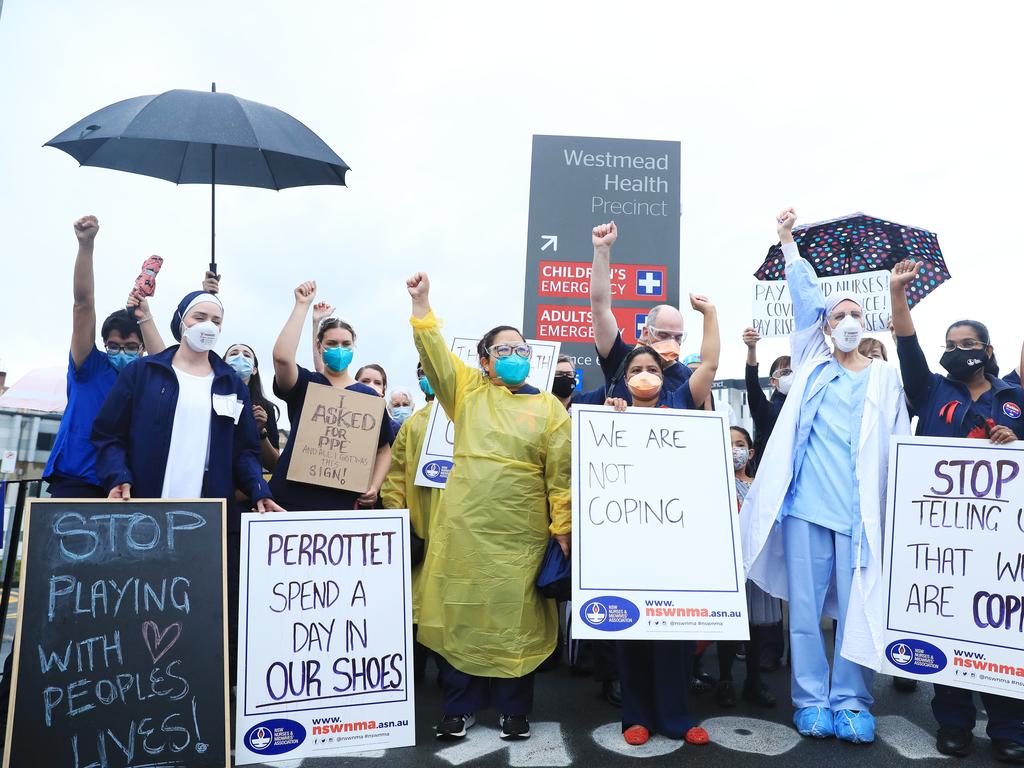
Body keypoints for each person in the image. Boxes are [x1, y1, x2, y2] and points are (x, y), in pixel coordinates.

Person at [741, 208, 910, 745]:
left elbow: (900, 446)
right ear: (825, 327)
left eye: (855, 313)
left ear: (868, 323)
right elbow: (805, 297)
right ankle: (811, 700)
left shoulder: (885, 379)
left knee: (857, 608)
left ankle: (853, 700)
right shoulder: (812, 363)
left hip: (859, 515)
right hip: (804, 511)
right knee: (808, 613)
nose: (846, 321)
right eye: (837, 316)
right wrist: (789, 242)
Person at [406, 271, 570, 742]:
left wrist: (562, 524)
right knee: (462, 613)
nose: (516, 356)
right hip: (465, 531)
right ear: (484, 360)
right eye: (505, 350)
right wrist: (422, 306)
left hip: (521, 535)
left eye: (523, 350)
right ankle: (459, 708)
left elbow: (561, 475)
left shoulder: (551, 410)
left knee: (515, 617)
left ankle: (513, 710)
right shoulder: (467, 393)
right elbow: (435, 357)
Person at [889, 259, 1024, 763]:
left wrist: (1015, 441)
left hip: (1002, 542)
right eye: (951, 344)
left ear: (988, 351)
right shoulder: (930, 389)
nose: (958, 351)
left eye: (968, 344)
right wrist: (898, 292)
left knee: (1001, 629)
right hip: (943, 540)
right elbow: (906, 342)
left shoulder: (1015, 397)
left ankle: (1010, 726)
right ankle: (953, 722)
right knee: (947, 623)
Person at [603, 337, 718, 748]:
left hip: (674, 545)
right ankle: (635, 716)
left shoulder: (681, 407)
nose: (644, 375)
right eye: (635, 371)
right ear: (624, 381)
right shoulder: (609, 418)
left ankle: (675, 716)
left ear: (663, 376)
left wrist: (709, 314)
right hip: (625, 545)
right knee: (630, 631)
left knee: (673, 633)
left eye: (651, 368)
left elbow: (710, 362)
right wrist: (609, 418)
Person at [91, 290, 281, 513]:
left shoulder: (232, 385)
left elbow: (245, 451)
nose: (208, 326)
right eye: (199, 318)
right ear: (181, 321)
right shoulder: (143, 373)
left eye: (216, 321)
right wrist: (118, 476)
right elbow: (109, 434)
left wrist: (259, 490)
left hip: (207, 517)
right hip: (141, 507)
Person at [44, 215, 167, 498]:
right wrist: (86, 245)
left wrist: (145, 316)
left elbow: (167, 367)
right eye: (113, 346)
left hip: (127, 485)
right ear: (102, 344)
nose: (121, 353)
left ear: (142, 349)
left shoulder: (147, 376)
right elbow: (82, 304)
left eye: (130, 347)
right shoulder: (89, 367)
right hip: (75, 480)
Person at [270, 281, 392, 510]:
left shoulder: (370, 398)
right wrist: (302, 305)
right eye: (332, 343)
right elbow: (282, 358)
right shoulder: (306, 384)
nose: (339, 348)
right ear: (319, 347)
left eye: (346, 344)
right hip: (290, 502)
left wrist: (374, 486)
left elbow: (384, 450)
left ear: (354, 347)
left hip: (342, 505)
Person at [382, 363, 442, 681]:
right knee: (417, 611)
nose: (428, 375)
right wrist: (397, 520)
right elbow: (395, 477)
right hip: (420, 530)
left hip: (460, 534)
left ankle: (455, 687)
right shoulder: (413, 425)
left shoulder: (470, 418)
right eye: (422, 370)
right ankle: (412, 680)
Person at [590, 222, 692, 398]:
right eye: (663, 335)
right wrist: (602, 249)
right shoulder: (620, 359)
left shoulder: (688, 378)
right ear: (646, 332)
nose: (671, 342)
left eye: (678, 337)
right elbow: (600, 308)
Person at [716, 426, 778, 709]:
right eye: (727, 444)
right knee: (728, 624)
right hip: (725, 564)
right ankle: (725, 680)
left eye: (739, 444)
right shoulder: (714, 484)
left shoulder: (759, 486)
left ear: (750, 452)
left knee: (755, 627)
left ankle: (753, 682)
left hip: (756, 564)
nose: (734, 450)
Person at [740, 328, 790, 670]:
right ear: (774, 380)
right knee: (766, 564)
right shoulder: (767, 410)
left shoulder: (809, 405)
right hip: (769, 488)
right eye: (784, 372)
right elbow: (751, 388)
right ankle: (759, 649)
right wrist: (752, 350)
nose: (791, 377)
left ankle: (782, 648)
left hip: (800, 490)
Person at [224, 343, 281, 471]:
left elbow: (274, 464)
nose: (240, 357)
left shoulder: (265, 407)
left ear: (254, 369)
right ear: (223, 364)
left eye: (246, 355)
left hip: (247, 486)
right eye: (233, 354)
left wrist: (261, 432)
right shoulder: (209, 397)